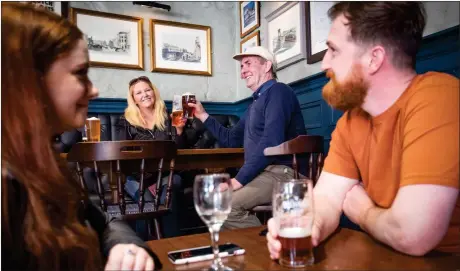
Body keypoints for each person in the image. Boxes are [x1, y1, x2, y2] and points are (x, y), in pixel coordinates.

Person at [267, 1, 459, 257]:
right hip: (390, 257)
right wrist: (309, 225)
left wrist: (363, 212)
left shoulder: (439, 97)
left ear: (374, 59)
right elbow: (326, 200)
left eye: (333, 50)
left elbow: (413, 235)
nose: (324, 64)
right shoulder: (351, 120)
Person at [1, 3, 160, 270]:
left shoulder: (44, 163)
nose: (95, 90)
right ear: (28, 81)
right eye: (80, 73)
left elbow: (102, 218)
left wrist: (125, 247)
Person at [189, 46, 307, 229]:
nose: (243, 71)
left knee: (225, 206)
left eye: (248, 64)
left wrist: (237, 180)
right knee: (218, 201)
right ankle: (259, 248)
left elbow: (271, 141)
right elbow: (230, 139)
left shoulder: (279, 91)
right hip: (264, 172)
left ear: (267, 66)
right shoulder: (254, 105)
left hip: (285, 173)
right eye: (242, 66)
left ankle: (264, 249)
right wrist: (203, 115)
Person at [115, 76, 187, 238]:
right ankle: (149, 246)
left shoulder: (168, 117)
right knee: (148, 202)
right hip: (135, 177)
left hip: (165, 175)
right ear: (134, 99)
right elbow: (122, 155)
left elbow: (178, 151)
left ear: (154, 92)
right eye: (138, 92)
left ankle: (172, 243)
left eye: (147, 90)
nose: (145, 94)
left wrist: (180, 131)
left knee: (172, 186)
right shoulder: (125, 121)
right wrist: (148, 183)